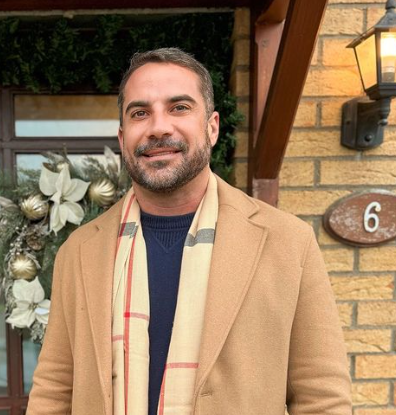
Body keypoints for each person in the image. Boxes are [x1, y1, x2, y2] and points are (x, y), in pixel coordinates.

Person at [26, 48, 352, 415]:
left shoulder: (289, 243)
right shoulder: (79, 251)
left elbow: (322, 398)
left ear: (212, 127)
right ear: (122, 137)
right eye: (140, 113)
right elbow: (54, 390)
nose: (158, 127)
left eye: (179, 108)